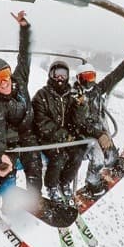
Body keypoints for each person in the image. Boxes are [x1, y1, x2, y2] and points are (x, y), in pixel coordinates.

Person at [70, 36, 124, 195]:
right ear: (79, 80)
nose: (89, 82)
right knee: (98, 154)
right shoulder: (76, 97)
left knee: (108, 147)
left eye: (92, 77)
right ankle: (92, 182)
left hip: (98, 132)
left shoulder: (98, 90)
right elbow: (79, 123)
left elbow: (118, 73)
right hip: (82, 137)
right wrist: (98, 135)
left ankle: (113, 161)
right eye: (85, 78)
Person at [0, 11, 42, 200]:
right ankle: (9, 197)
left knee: (34, 162)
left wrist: (25, 29)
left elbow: (25, 55)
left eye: (5, 75)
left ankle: (35, 196)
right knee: (8, 164)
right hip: (10, 140)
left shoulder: (20, 79)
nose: (4, 82)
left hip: (28, 134)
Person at [32, 60, 85, 202]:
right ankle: (52, 186)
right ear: (51, 75)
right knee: (59, 156)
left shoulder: (70, 96)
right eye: (57, 74)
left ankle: (65, 181)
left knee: (77, 154)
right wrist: (62, 135)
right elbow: (41, 122)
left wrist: (80, 106)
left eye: (63, 74)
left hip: (67, 138)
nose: (60, 78)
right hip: (47, 138)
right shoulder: (42, 95)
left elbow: (76, 121)